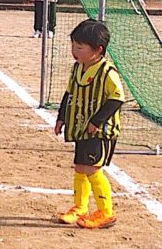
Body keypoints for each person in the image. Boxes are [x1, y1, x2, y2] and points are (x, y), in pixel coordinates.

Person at [54, 20, 125, 229]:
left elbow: (117, 98)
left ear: (97, 50)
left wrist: (97, 121)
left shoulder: (107, 72)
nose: (74, 51)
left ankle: (106, 212)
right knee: (80, 168)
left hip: (99, 132)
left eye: (80, 48)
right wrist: (61, 117)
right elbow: (69, 94)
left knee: (93, 169)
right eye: (73, 46)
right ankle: (80, 207)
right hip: (81, 128)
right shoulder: (77, 68)